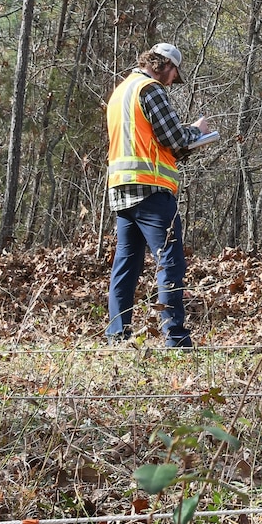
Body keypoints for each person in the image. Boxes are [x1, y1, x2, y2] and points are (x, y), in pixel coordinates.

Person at [104, 43, 214, 347]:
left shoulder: (119, 93)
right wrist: (197, 131)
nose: (172, 81)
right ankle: (176, 340)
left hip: (122, 191)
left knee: (126, 266)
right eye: (173, 74)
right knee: (170, 263)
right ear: (164, 65)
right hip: (151, 190)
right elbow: (174, 137)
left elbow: (150, 142)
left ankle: (117, 337)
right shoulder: (149, 89)